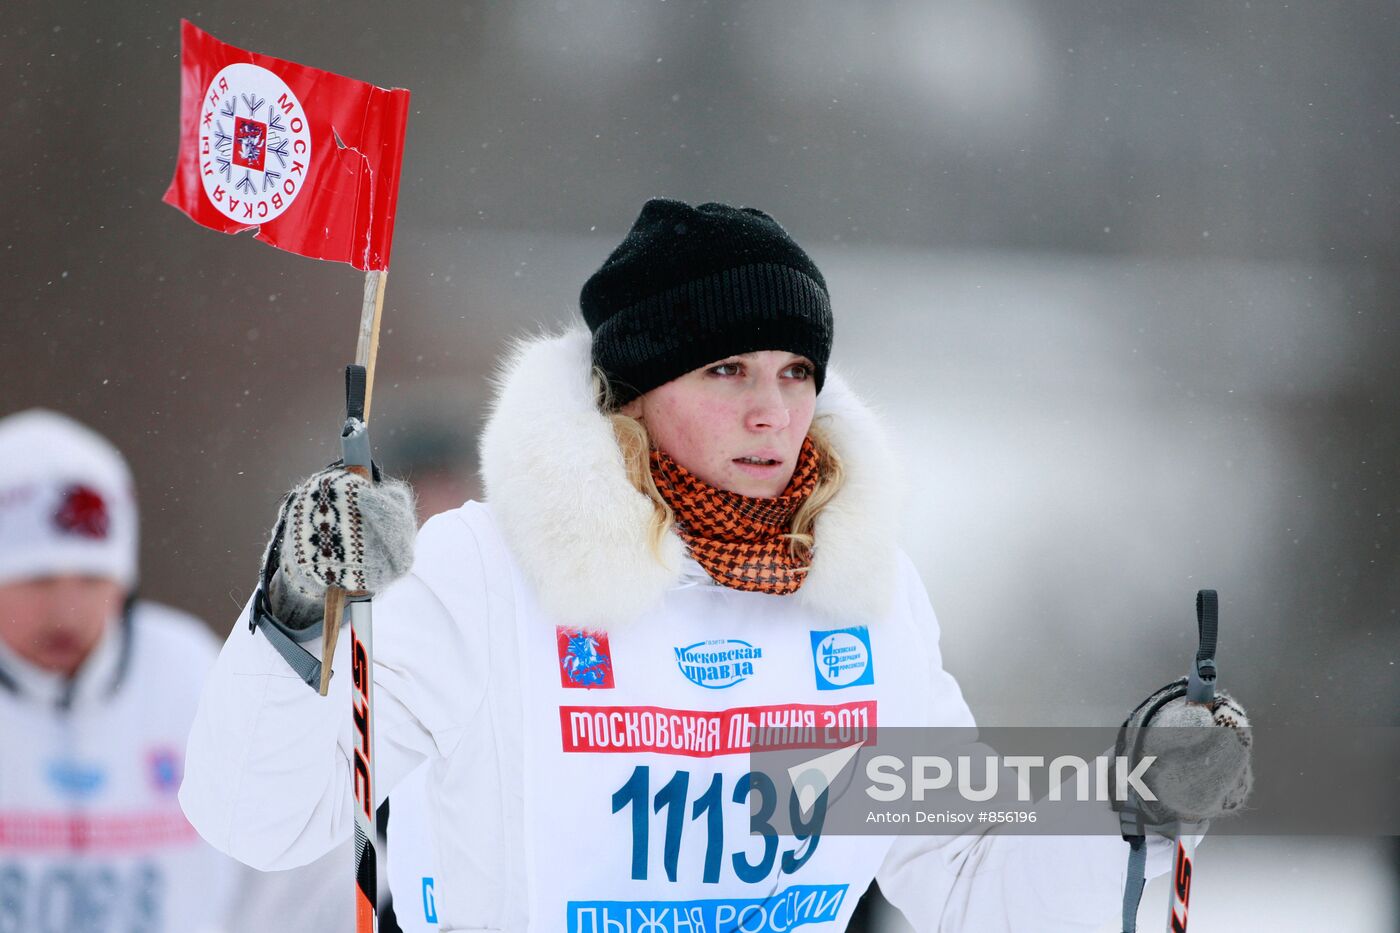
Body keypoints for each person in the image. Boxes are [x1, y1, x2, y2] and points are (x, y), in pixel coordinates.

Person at [180, 199, 1251, 931]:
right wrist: (290, 615)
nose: (767, 410)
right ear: (632, 391)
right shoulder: (485, 575)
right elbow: (264, 820)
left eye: (795, 372)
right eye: (724, 368)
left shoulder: (861, 597)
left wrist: (1138, 796)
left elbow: (967, 870)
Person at [0, 409, 352, 933]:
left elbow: (306, 861)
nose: (66, 610)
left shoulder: (187, 671)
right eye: (39, 580)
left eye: (92, 578)